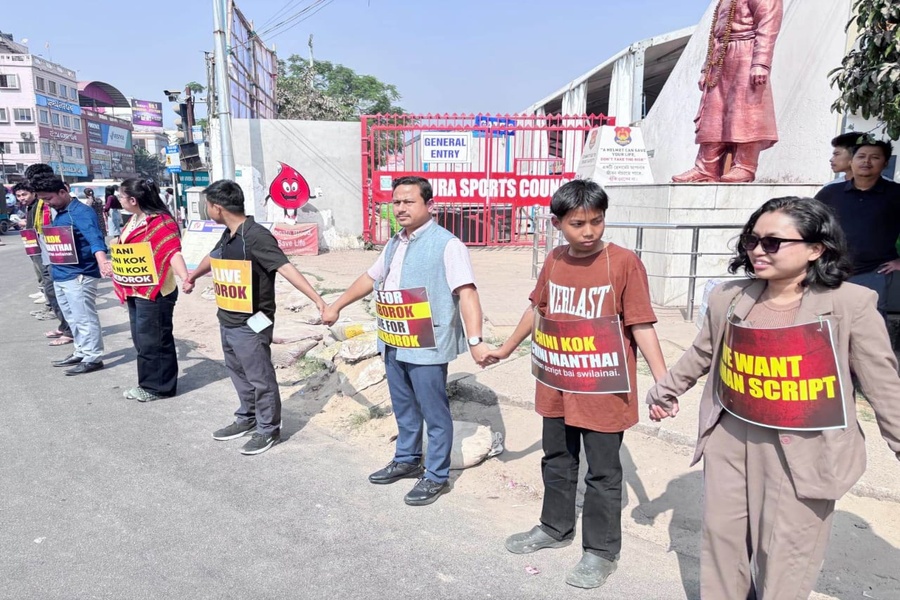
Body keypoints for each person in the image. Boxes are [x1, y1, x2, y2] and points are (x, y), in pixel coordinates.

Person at [646, 196, 900, 598]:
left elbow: (883, 384)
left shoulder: (849, 305)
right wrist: (666, 390)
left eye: (773, 242)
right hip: (731, 440)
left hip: (805, 450)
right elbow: (704, 351)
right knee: (722, 544)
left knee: (786, 557)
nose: (758, 251)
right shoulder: (730, 296)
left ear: (816, 249)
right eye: (752, 240)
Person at [482, 180, 667, 589]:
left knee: (602, 472)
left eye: (597, 222)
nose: (588, 232)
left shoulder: (623, 263)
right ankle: (554, 527)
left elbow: (641, 322)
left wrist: (662, 381)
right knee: (557, 460)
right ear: (557, 223)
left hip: (604, 387)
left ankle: (601, 552)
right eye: (578, 223)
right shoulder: (553, 260)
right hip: (557, 382)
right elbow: (537, 309)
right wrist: (507, 348)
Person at [323, 176, 489, 506]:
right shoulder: (395, 243)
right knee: (404, 406)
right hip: (394, 337)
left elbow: (467, 292)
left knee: (434, 411)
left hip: (427, 342)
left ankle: (436, 476)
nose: (400, 208)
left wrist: (475, 340)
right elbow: (370, 278)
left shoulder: (448, 245)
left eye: (409, 201)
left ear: (430, 205)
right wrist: (337, 305)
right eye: (396, 202)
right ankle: (407, 458)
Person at [182, 180, 326, 455]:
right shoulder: (230, 233)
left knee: (260, 376)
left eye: (207, 205)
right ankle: (247, 417)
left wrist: (318, 300)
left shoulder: (256, 235)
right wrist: (192, 277)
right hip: (228, 317)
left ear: (217, 207)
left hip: (253, 321)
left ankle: (268, 429)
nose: (206, 209)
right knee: (238, 372)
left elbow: (285, 267)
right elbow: (214, 257)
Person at [672, 0, 784, 183]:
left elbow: (769, 24)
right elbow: (715, 38)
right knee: (712, 115)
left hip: (746, 54)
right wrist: (706, 69)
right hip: (721, 58)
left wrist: (760, 63)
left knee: (746, 114)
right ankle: (705, 167)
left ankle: (745, 166)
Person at [113, 179, 189, 402]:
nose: (119, 200)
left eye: (121, 196)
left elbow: (172, 251)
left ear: (134, 200)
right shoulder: (135, 220)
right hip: (136, 289)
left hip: (156, 291)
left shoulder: (161, 222)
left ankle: (157, 387)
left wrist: (185, 277)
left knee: (153, 340)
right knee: (142, 338)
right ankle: (152, 382)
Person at [32, 174, 111, 375]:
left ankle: (93, 357)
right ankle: (81, 351)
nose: (47, 203)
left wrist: (102, 262)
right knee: (72, 318)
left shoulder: (81, 212)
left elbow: (95, 239)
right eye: (43, 200)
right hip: (60, 274)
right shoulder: (60, 212)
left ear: (63, 191)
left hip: (80, 274)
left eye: (49, 199)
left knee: (84, 317)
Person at [814, 139, 900, 317]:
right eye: (861, 156)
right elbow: (807, 224)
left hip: (874, 271)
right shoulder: (830, 193)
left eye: (874, 157)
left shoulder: (895, 193)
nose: (866, 162)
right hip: (830, 269)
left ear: (885, 163)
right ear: (851, 161)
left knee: (871, 320)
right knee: (828, 318)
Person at [25, 163, 74, 344]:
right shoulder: (39, 200)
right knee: (51, 289)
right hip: (44, 247)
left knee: (57, 291)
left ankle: (69, 330)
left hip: (57, 249)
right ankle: (64, 326)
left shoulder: (55, 198)